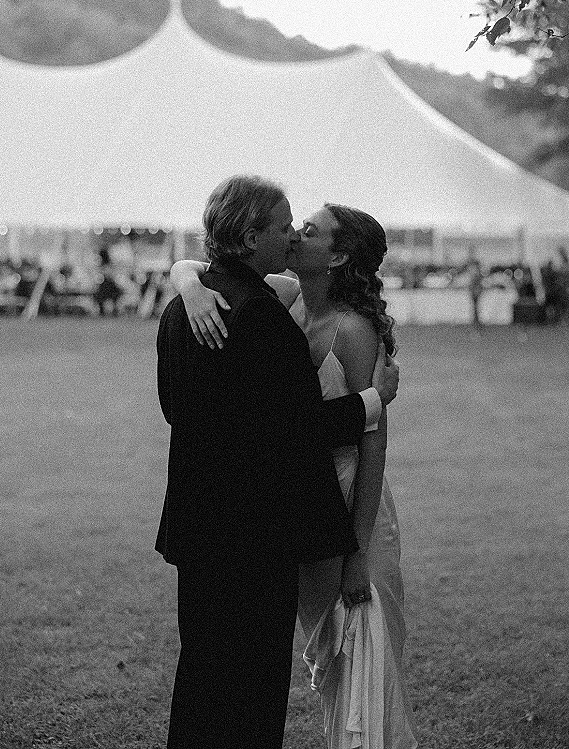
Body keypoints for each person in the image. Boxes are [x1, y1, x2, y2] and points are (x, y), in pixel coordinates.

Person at [156, 176, 399, 749]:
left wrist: (186, 278)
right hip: (254, 531)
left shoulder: (181, 310)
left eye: (301, 228)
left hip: (198, 523)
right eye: (286, 226)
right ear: (249, 238)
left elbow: (175, 409)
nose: (292, 236)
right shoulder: (265, 315)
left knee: (202, 674)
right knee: (253, 687)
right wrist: (373, 400)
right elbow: (292, 430)